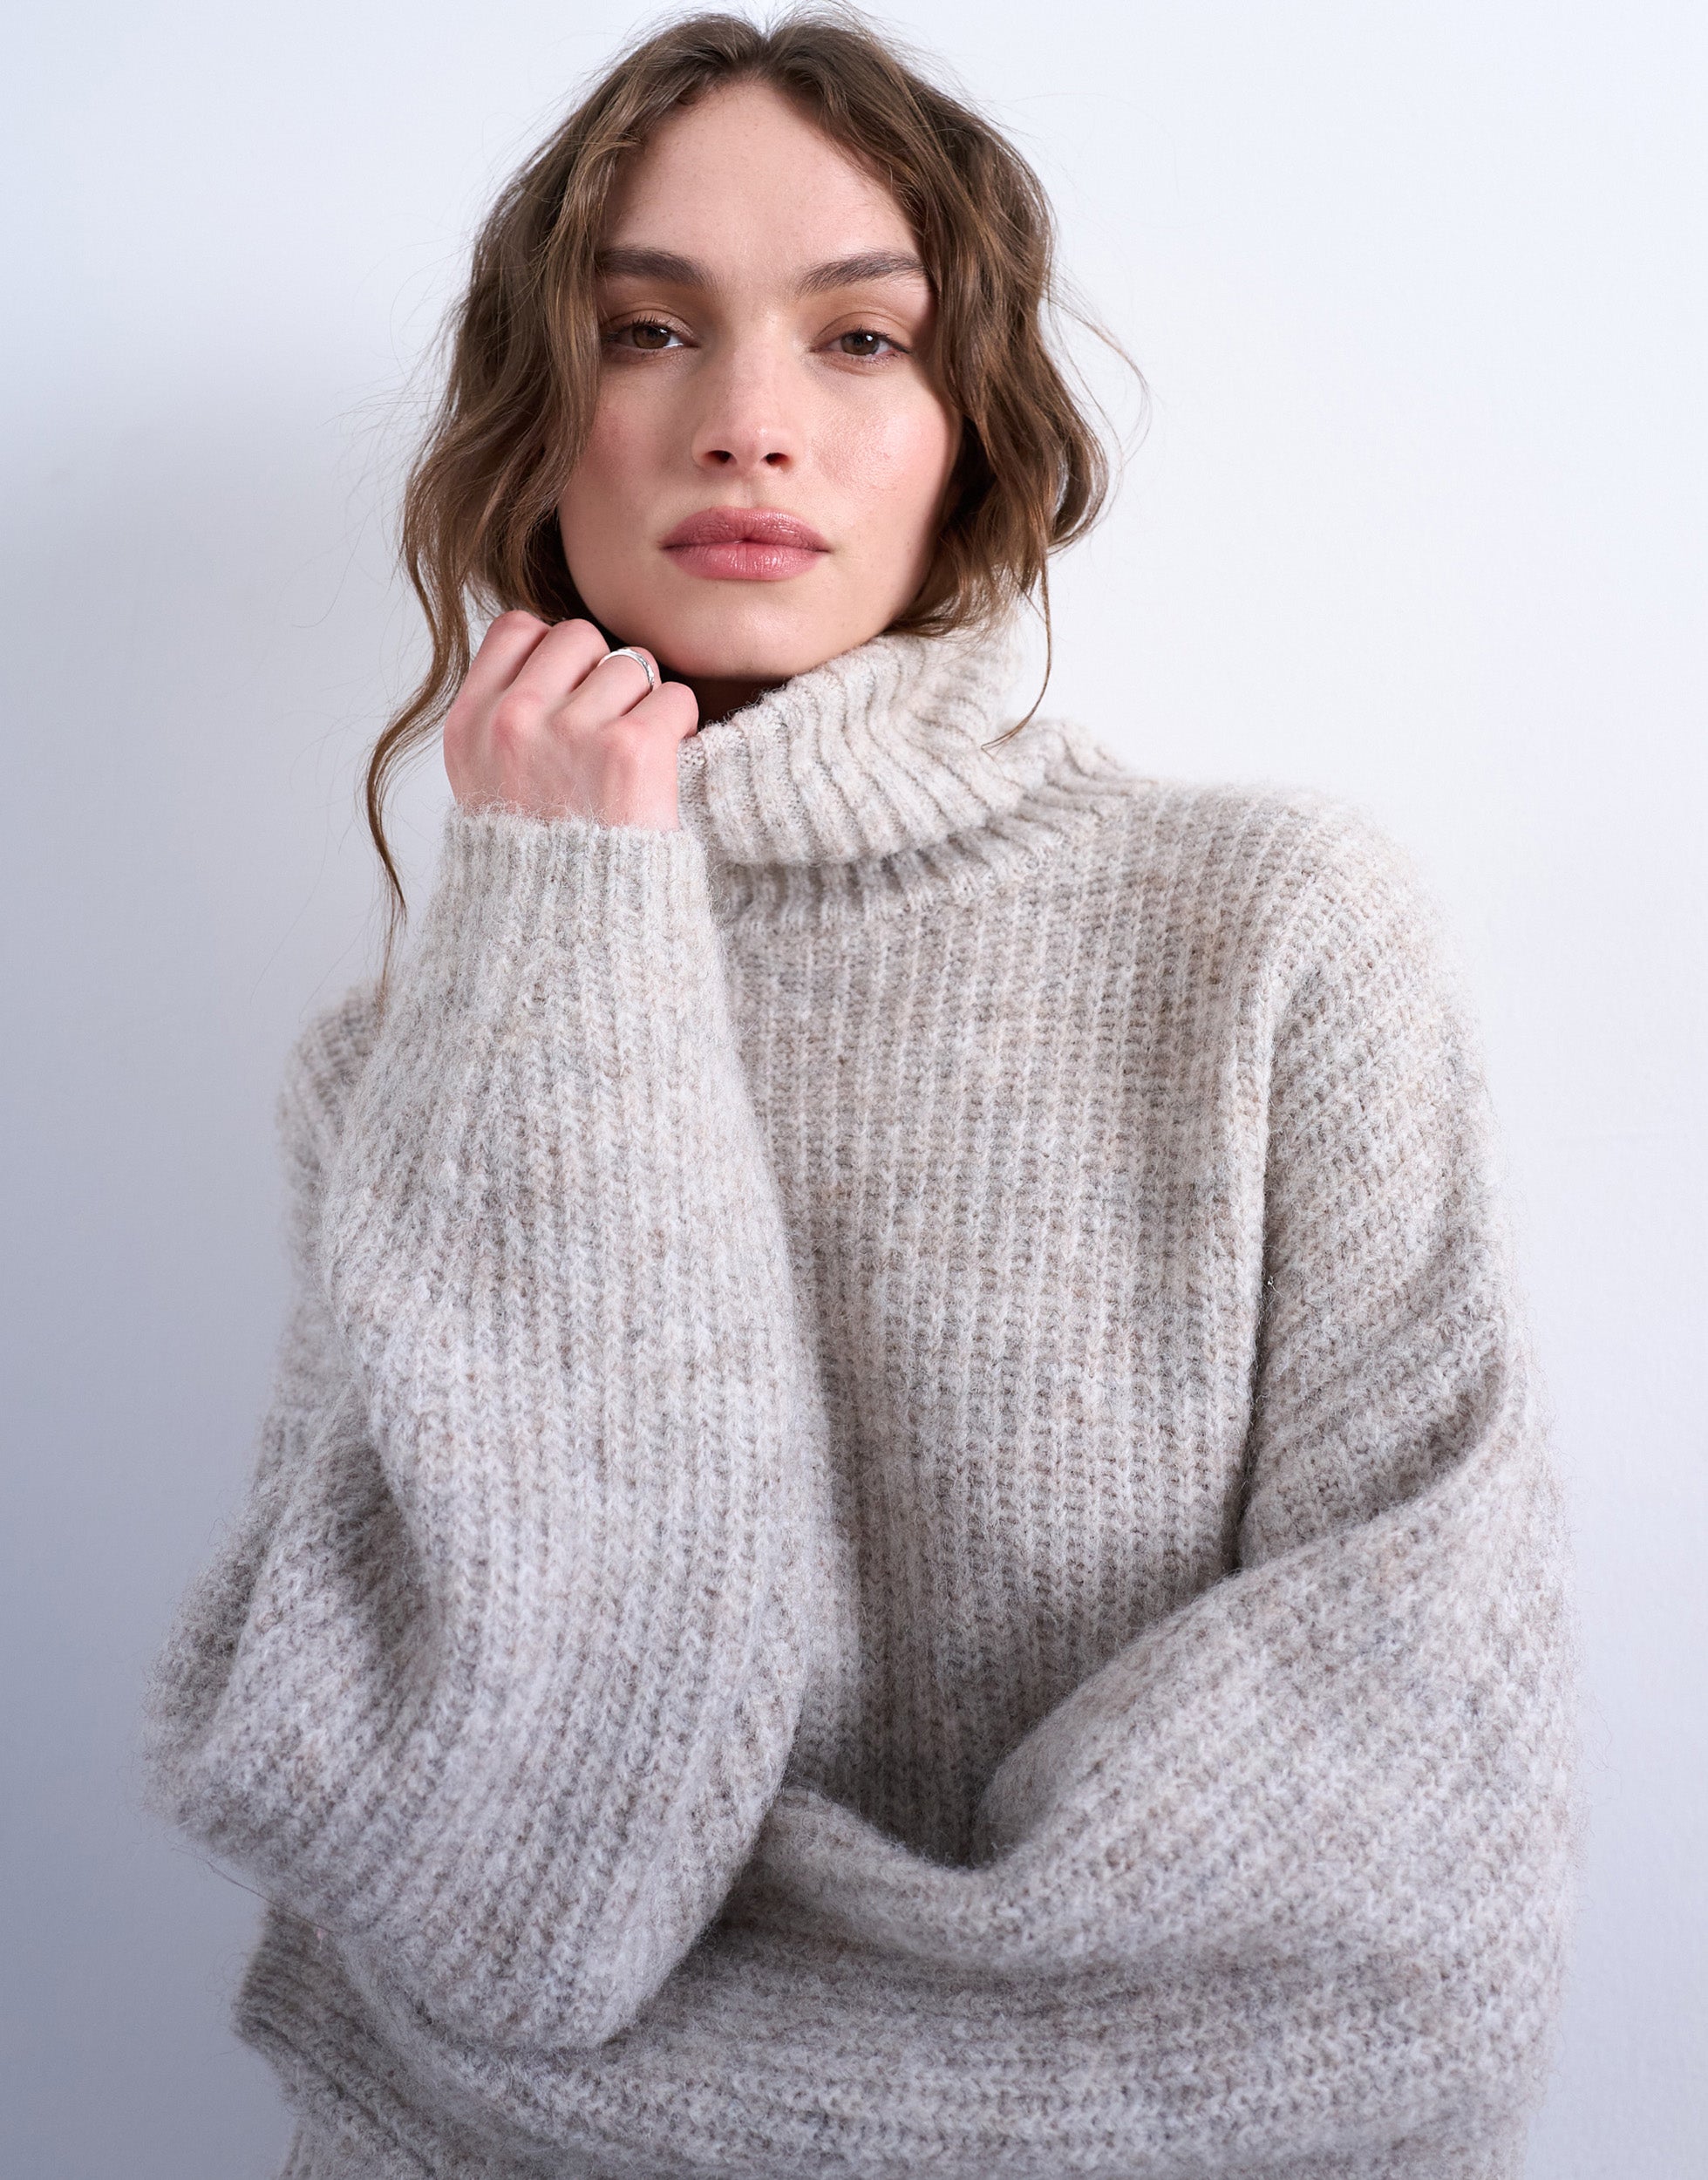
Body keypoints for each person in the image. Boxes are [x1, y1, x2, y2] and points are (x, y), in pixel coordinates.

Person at [141, 10, 1580, 2177]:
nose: (744, 422)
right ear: (537, 423)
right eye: (645, 329)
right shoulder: (403, 1071)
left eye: (857, 339)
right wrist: (567, 927)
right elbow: (505, 1897)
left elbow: (1393, 1929)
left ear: (969, 428)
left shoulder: (1270, 940)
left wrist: (634, 2087)